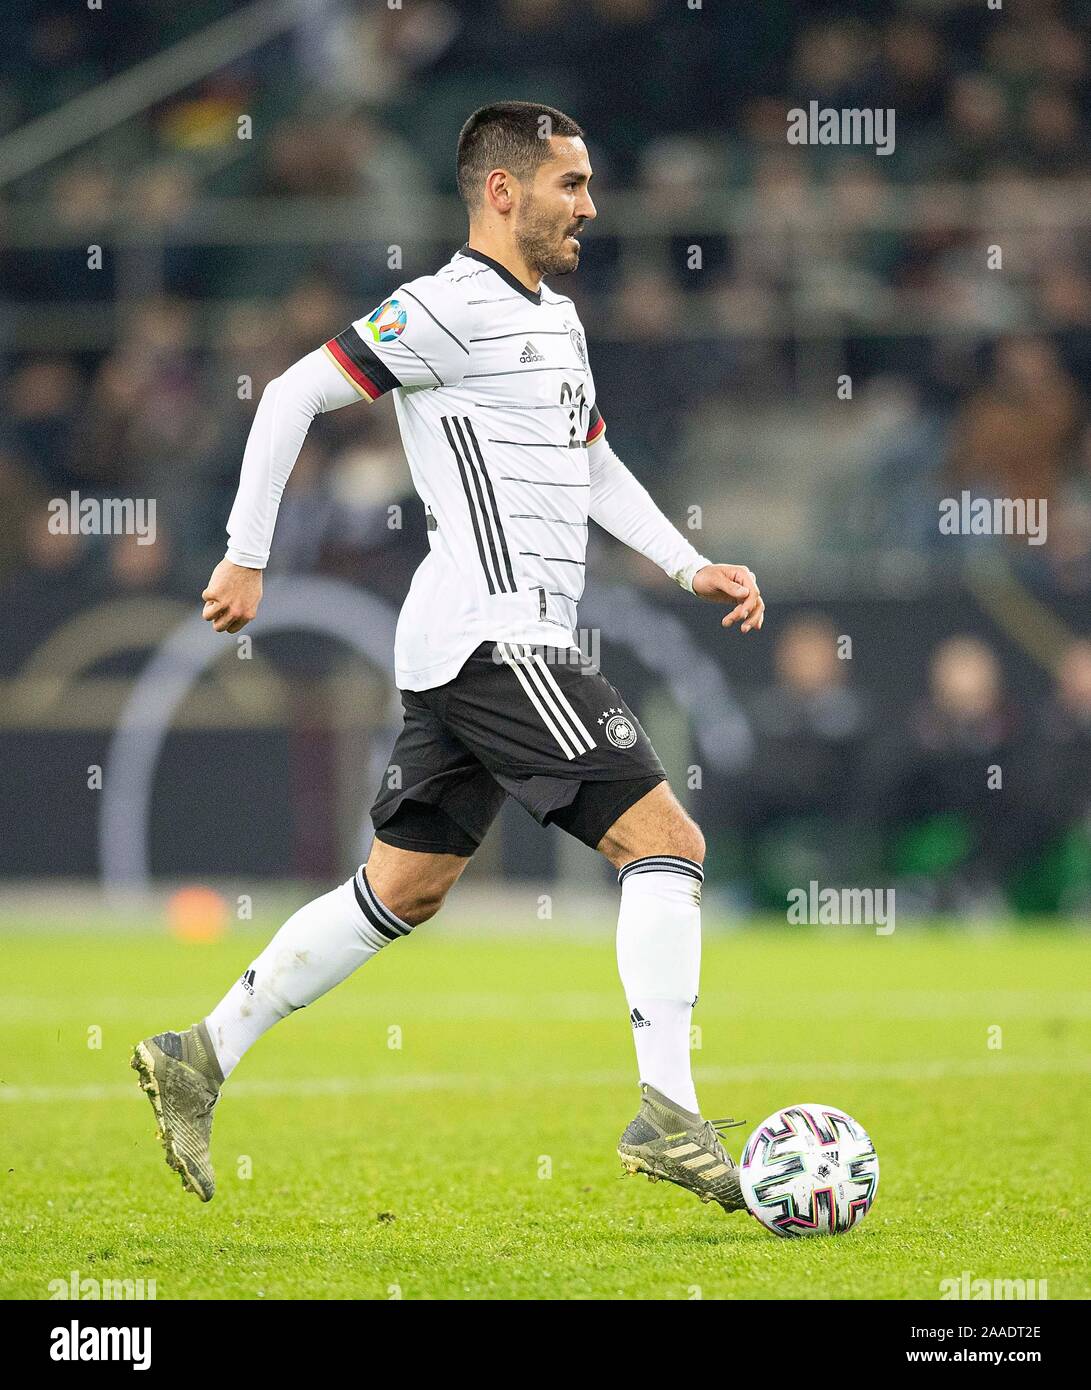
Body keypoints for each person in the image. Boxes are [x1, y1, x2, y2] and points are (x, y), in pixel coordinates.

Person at [132, 102, 764, 1214]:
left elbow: (591, 457)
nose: (590, 205)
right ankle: (667, 1111)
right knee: (665, 841)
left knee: (404, 887)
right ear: (503, 191)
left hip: (464, 645)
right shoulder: (440, 309)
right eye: (570, 184)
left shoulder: (556, 321)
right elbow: (290, 394)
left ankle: (198, 1054)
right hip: (495, 633)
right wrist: (246, 557)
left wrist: (685, 563)